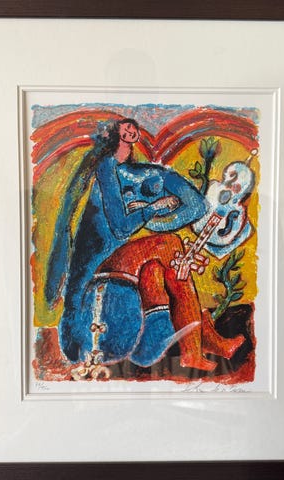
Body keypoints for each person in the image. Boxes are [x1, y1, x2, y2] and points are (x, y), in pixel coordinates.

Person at [45, 118, 243, 372]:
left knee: (156, 269)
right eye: (122, 129)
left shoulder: (146, 172)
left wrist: (155, 221)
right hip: (98, 269)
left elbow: (197, 206)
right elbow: (121, 227)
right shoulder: (106, 167)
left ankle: (196, 349)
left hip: (120, 266)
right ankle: (199, 344)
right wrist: (152, 209)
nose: (129, 130)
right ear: (112, 136)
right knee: (171, 246)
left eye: (131, 128)